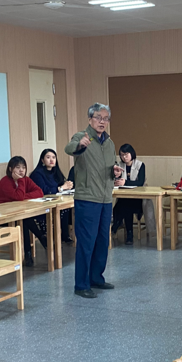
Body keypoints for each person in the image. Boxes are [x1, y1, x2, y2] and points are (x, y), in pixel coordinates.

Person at [64, 102, 122, 298]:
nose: (102, 122)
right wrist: (80, 145)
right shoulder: (82, 137)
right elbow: (69, 148)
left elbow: (110, 166)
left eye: (106, 118)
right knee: (86, 242)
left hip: (105, 198)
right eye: (98, 117)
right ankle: (81, 285)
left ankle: (96, 277)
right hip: (87, 198)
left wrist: (115, 171)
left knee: (102, 240)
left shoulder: (110, 143)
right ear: (90, 119)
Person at [0, 156, 45, 266]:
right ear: (10, 169)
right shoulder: (5, 181)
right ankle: (40, 238)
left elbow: (39, 192)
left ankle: (28, 254)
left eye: (23, 167)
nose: (21, 170)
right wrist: (21, 183)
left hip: (19, 215)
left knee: (23, 220)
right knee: (24, 221)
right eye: (18, 167)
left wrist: (24, 196)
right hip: (5, 217)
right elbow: (18, 197)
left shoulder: (26, 179)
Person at [30, 148, 73, 244]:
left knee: (66, 208)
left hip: (55, 202)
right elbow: (44, 191)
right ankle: (50, 235)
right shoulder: (37, 174)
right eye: (48, 157)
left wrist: (68, 186)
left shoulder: (56, 172)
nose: (51, 160)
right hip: (42, 205)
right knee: (60, 210)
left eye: (54, 157)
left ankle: (64, 235)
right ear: (42, 160)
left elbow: (61, 185)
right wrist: (61, 188)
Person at [111, 143, 146, 245]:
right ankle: (129, 234)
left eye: (126, 154)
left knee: (125, 206)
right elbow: (116, 180)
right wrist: (116, 179)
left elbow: (140, 183)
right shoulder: (119, 166)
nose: (124, 157)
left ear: (132, 153)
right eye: (122, 155)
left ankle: (117, 226)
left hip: (137, 199)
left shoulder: (140, 165)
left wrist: (125, 182)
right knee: (124, 205)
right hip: (123, 197)